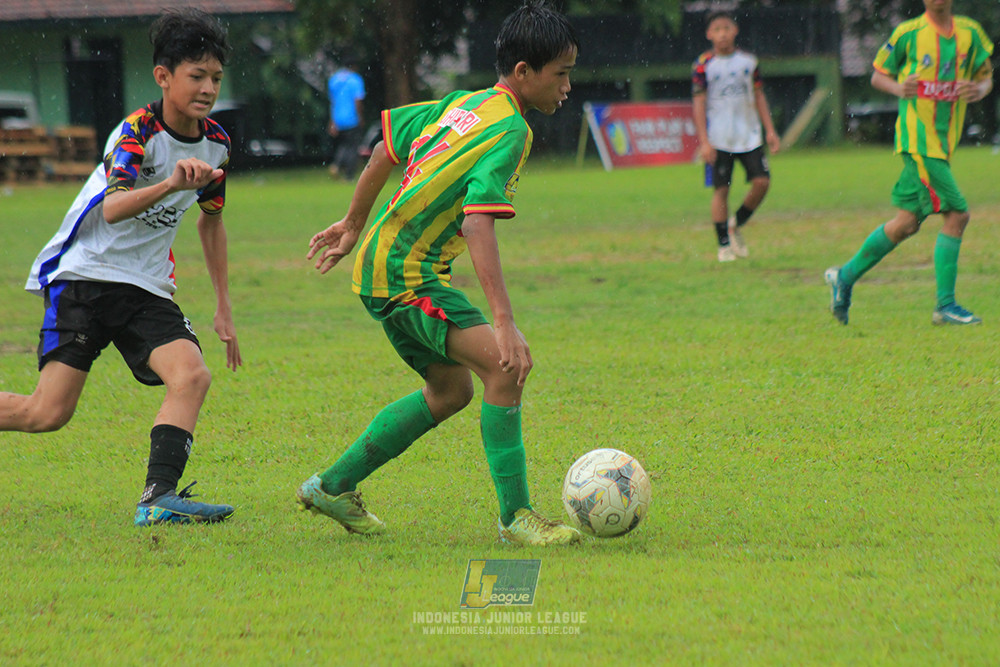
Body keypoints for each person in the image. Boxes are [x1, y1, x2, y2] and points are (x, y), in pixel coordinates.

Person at [298, 1, 582, 546]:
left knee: (450, 390)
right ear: (524, 73)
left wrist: (354, 223)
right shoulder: (512, 133)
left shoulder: (464, 104)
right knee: (507, 368)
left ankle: (331, 487)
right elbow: (478, 225)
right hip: (405, 275)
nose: (568, 86)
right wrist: (503, 322)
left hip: (385, 264)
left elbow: (385, 147)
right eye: (562, 73)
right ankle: (516, 518)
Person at [0, 8, 242, 526]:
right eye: (196, 76)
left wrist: (224, 306)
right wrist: (173, 184)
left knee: (191, 375)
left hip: (145, 285)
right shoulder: (135, 131)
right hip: (85, 276)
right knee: (46, 413)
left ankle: (158, 497)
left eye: (215, 78)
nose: (207, 88)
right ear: (163, 76)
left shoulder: (216, 144)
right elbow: (113, 206)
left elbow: (211, 221)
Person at [825, 0, 993, 325]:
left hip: (943, 145)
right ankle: (945, 306)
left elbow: (985, 76)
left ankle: (843, 277)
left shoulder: (970, 34)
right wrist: (899, 87)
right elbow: (878, 76)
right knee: (958, 214)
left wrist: (980, 89)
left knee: (905, 224)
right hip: (918, 142)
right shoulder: (908, 32)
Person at [692, 10, 781, 263]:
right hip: (719, 138)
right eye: (717, 29)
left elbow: (759, 96)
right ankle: (723, 246)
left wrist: (770, 130)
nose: (722, 34)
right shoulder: (702, 65)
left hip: (749, 135)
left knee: (762, 182)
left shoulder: (749, 63)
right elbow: (698, 102)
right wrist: (704, 141)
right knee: (721, 190)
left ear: (735, 30)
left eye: (726, 28)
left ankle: (735, 224)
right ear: (709, 34)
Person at [326, 56, 366, 180]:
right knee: (353, 146)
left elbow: (332, 102)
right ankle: (349, 175)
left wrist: (332, 121)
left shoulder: (334, 80)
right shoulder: (355, 80)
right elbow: (357, 100)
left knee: (343, 144)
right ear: (353, 66)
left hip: (338, 118)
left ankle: (336, 165)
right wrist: (360, 116)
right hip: (351, 117)